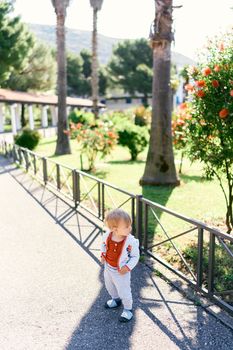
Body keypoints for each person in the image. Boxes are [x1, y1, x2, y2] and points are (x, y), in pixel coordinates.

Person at [100, 208, 140, 322]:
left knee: (124, 290)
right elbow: (103, 245)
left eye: (130, 225)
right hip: (108, 267)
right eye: (126, 227)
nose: (130, 228)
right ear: (114, 229)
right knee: (109, 285)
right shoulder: (108, 236)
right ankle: (115, 299)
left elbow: (135, 256)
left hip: (121, 271)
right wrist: (103, 255)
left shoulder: (130, 242)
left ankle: (128, 309)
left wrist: (127, 267)